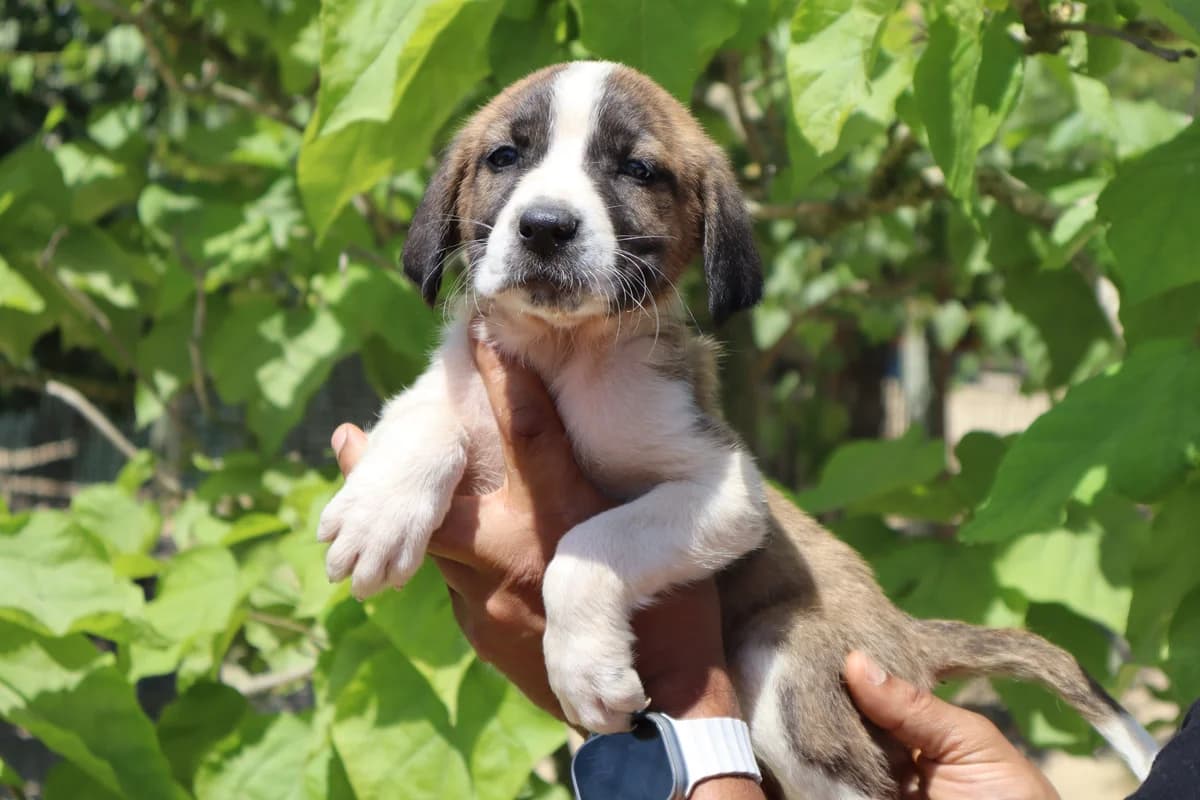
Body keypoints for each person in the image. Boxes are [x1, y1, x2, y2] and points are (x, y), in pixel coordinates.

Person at [329, 337, 1197, 800]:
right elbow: (437, 411)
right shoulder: (483, 349)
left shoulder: (643, 360)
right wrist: (408, 471)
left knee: (777, 689)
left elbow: (724, 501)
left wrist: (681, 707)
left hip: (786, 624)